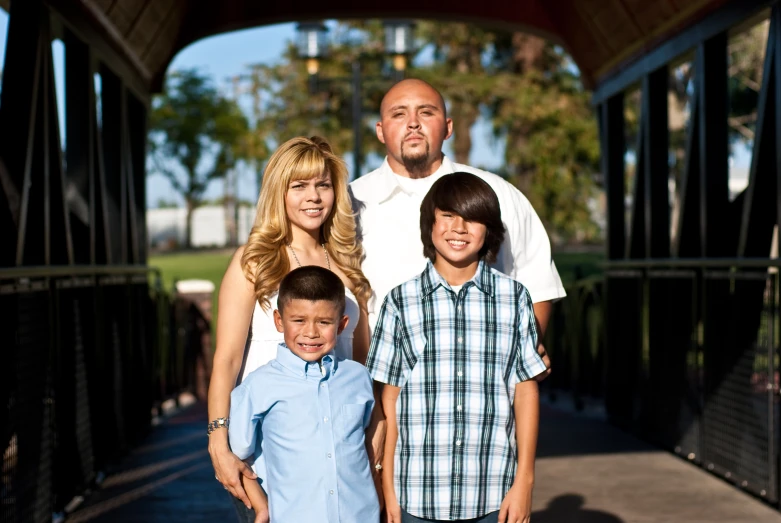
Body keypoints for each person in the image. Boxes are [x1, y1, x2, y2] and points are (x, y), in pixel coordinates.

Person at [207, 136, 378, 522]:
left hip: (336, 462)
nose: (314, 197)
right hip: (268, 460)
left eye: (323, 184)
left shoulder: (349, 265)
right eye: (299, 186)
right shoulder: (255, 261)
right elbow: (227, 359)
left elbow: (361, 363)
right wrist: (218, 439)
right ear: (278, 193)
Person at [367, 172, 546, 523]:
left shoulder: (514, 299)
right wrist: (387, 490)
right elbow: (388, 402)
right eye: (448, 215)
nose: (459, 227)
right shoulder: (400, 303)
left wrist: (524, 481)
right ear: (430, 224)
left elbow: (525, 391)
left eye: (473, 217)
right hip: (415, 496)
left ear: (489, 230)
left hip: (494, 493)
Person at [349, 78, 565, 367]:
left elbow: (537, 285)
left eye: (426, 112)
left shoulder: (497, 193)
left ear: (448, 128)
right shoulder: (348, 203)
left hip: (481, 388)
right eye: (399, 114)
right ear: (380, 131)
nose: (413, 123)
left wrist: (518, 362)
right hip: (380, 385)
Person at [228, 266, 381, 523]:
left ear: (342, 325)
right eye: (298, 320)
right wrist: (260, 504)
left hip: (360, 515)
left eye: (324, 322)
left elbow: (367, 439)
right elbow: (239, 451)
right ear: (279, 321)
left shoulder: (359, 378)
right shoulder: (259, 385)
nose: (310, 333)